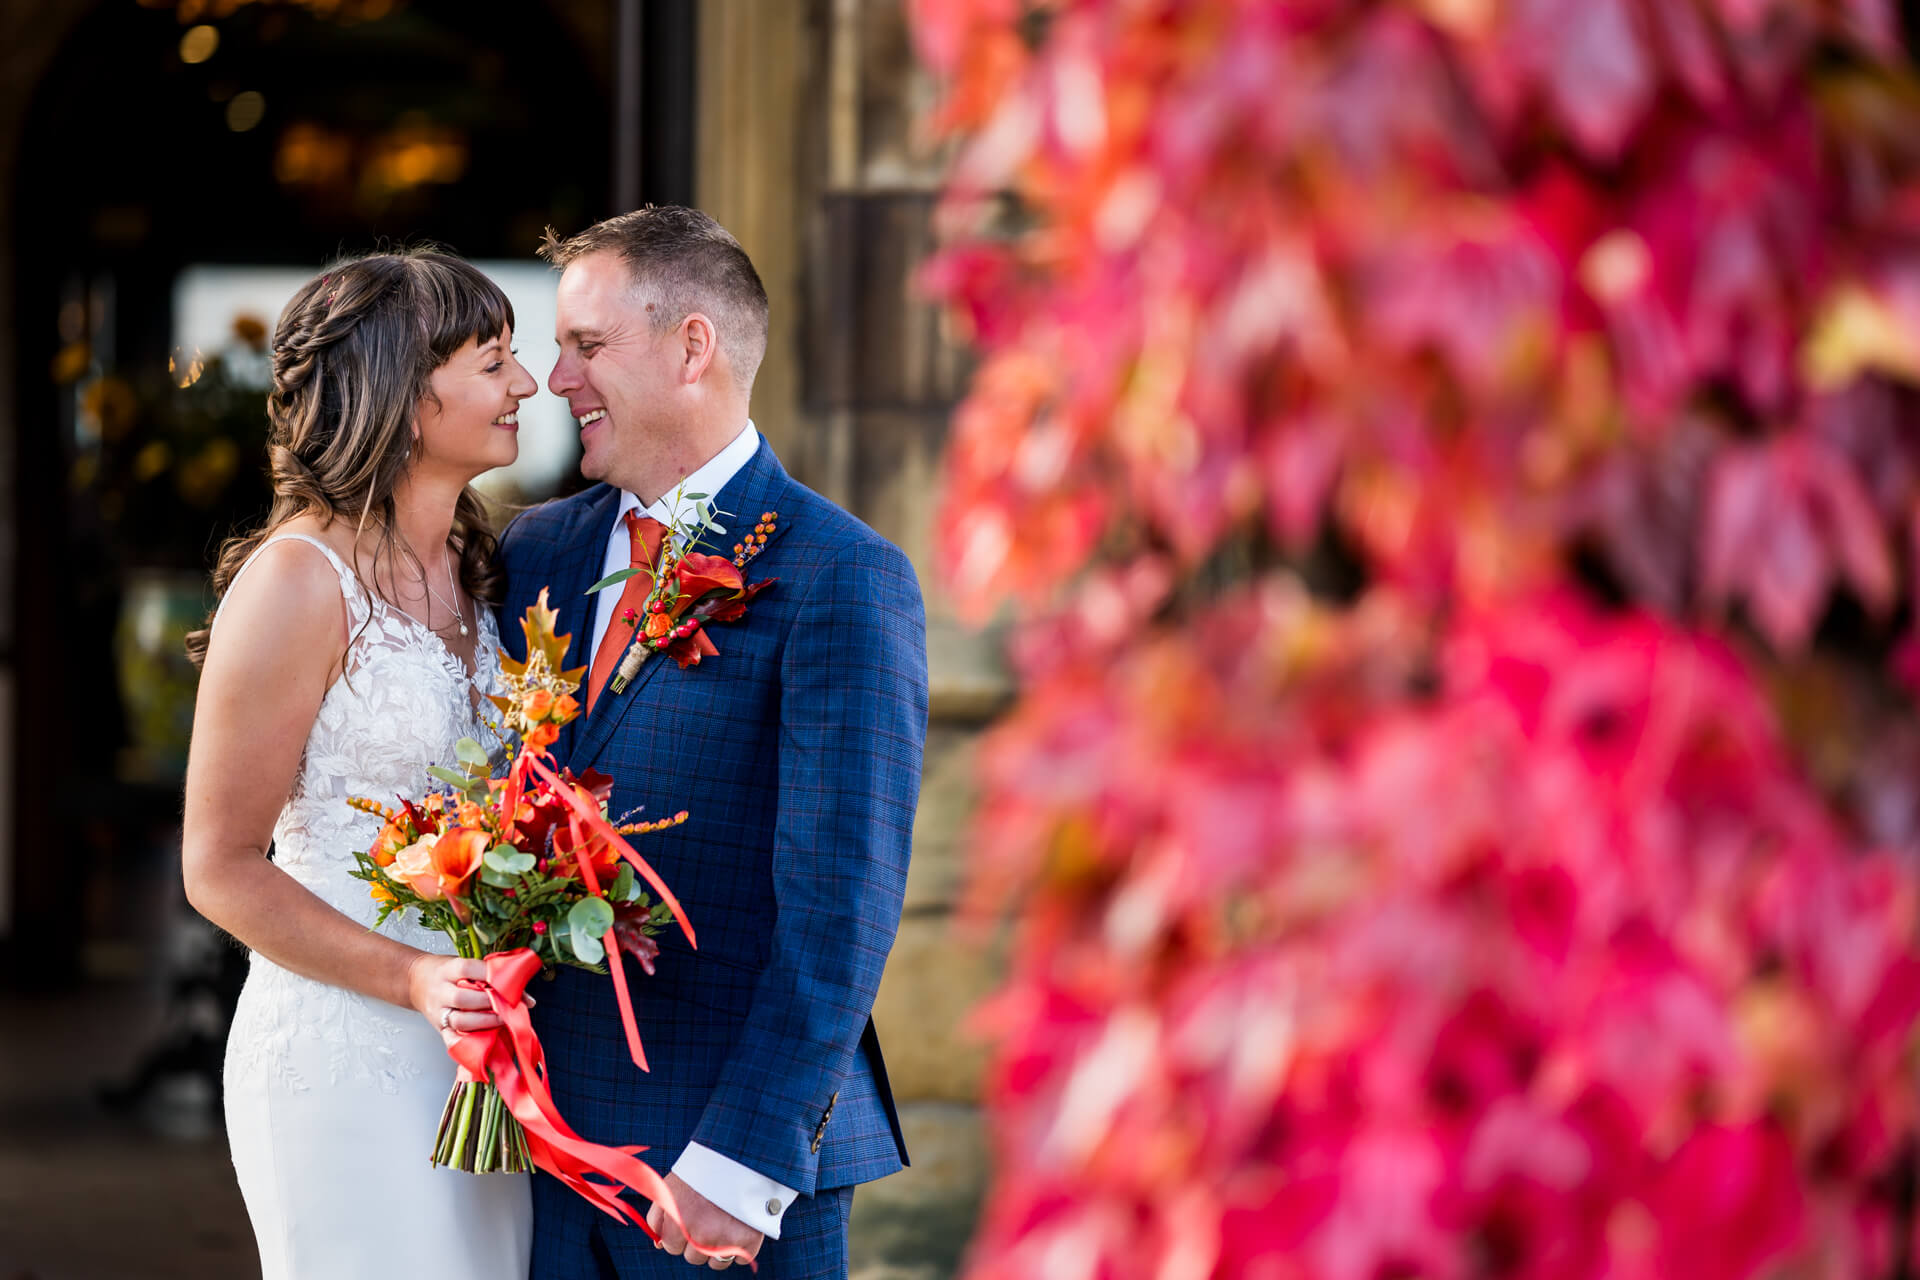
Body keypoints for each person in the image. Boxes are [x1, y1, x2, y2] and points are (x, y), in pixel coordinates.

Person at [498, 205, 928, 1277]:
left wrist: (739, 1160)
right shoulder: (533, 553)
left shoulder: (842, 573)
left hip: (715, 1180)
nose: (558, 378)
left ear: (693, 346)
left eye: (587, 346)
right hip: (539, 1157)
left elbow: (842, 902)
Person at [181, 249, 539, 1279]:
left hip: (477, 1055)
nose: (524, 384)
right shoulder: (297, 581)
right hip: (345, 1052)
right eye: (494, 360)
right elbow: (219, 865)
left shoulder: (484, 577)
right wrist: (415, 976)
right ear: (405, 394)